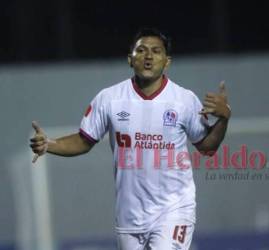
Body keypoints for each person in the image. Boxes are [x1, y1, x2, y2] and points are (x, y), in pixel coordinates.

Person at [30, 28, 231, 250]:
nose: (148, 56)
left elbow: (208, 147)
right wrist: (49, 144)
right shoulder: (109, 99)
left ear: (167, 62)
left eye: (156, 51)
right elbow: (83, 141)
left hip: (174, 210)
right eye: (141, 50)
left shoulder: (184, 100)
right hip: (129, 217)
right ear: (130, 59)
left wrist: (223, 119)